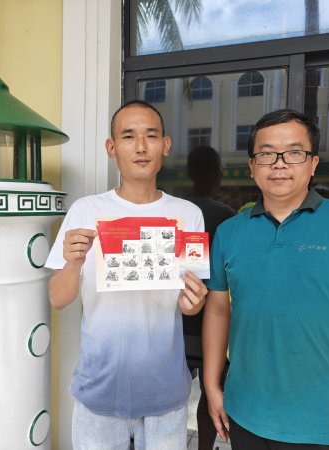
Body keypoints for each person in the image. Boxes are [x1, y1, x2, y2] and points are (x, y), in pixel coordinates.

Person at [203, 109, 329, 450]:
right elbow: (219, 311)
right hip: (244, 414)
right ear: (252, 166)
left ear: (313, 163)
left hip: (326, 425)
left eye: (294, 153)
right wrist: (211, 386)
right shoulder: (229, 232)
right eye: (266, 154)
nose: (279, 164)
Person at [46, 100, 209, 450]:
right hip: (99, 387)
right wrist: (73, 263)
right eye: (128, 136)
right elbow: (58, 299)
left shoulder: (188, 215)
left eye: (151, 136)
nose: (140, 147)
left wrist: (194, 303)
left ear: (166, 145)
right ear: (111, 147)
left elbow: (190, 305)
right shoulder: (86, 211)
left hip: (165, 387)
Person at [183, 145, 234, 450]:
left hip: (178, 320)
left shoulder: (177, 209)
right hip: (212, 322)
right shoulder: (224, 216)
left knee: (175, 391)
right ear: (217, 175)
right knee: (210, 390)